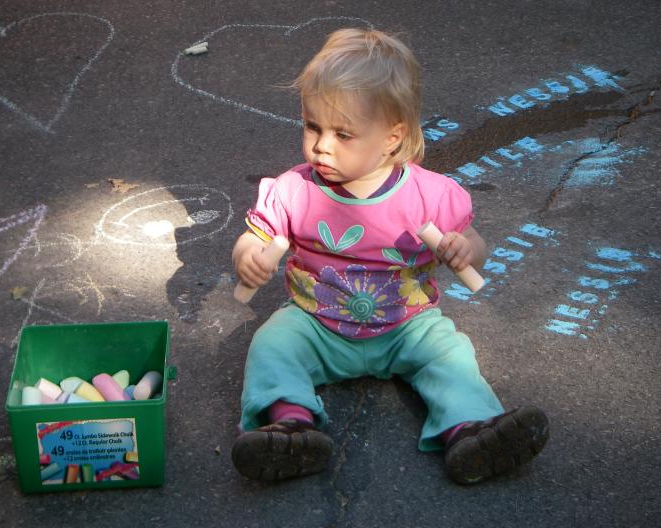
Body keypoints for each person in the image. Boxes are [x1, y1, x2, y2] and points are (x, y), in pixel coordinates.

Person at [230, 28, 549, 484]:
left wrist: (465, 250)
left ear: (391, 138)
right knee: (272, 344)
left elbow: (475, 247)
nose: (321, 145)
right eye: (313, 127)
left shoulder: (429, 195)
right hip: (316, 322)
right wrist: (249, 257)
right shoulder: (293, 190)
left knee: (451, 353)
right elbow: (252, 238)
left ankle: (472, 429)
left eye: (343, 134)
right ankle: (290, 425)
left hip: (407, 325)